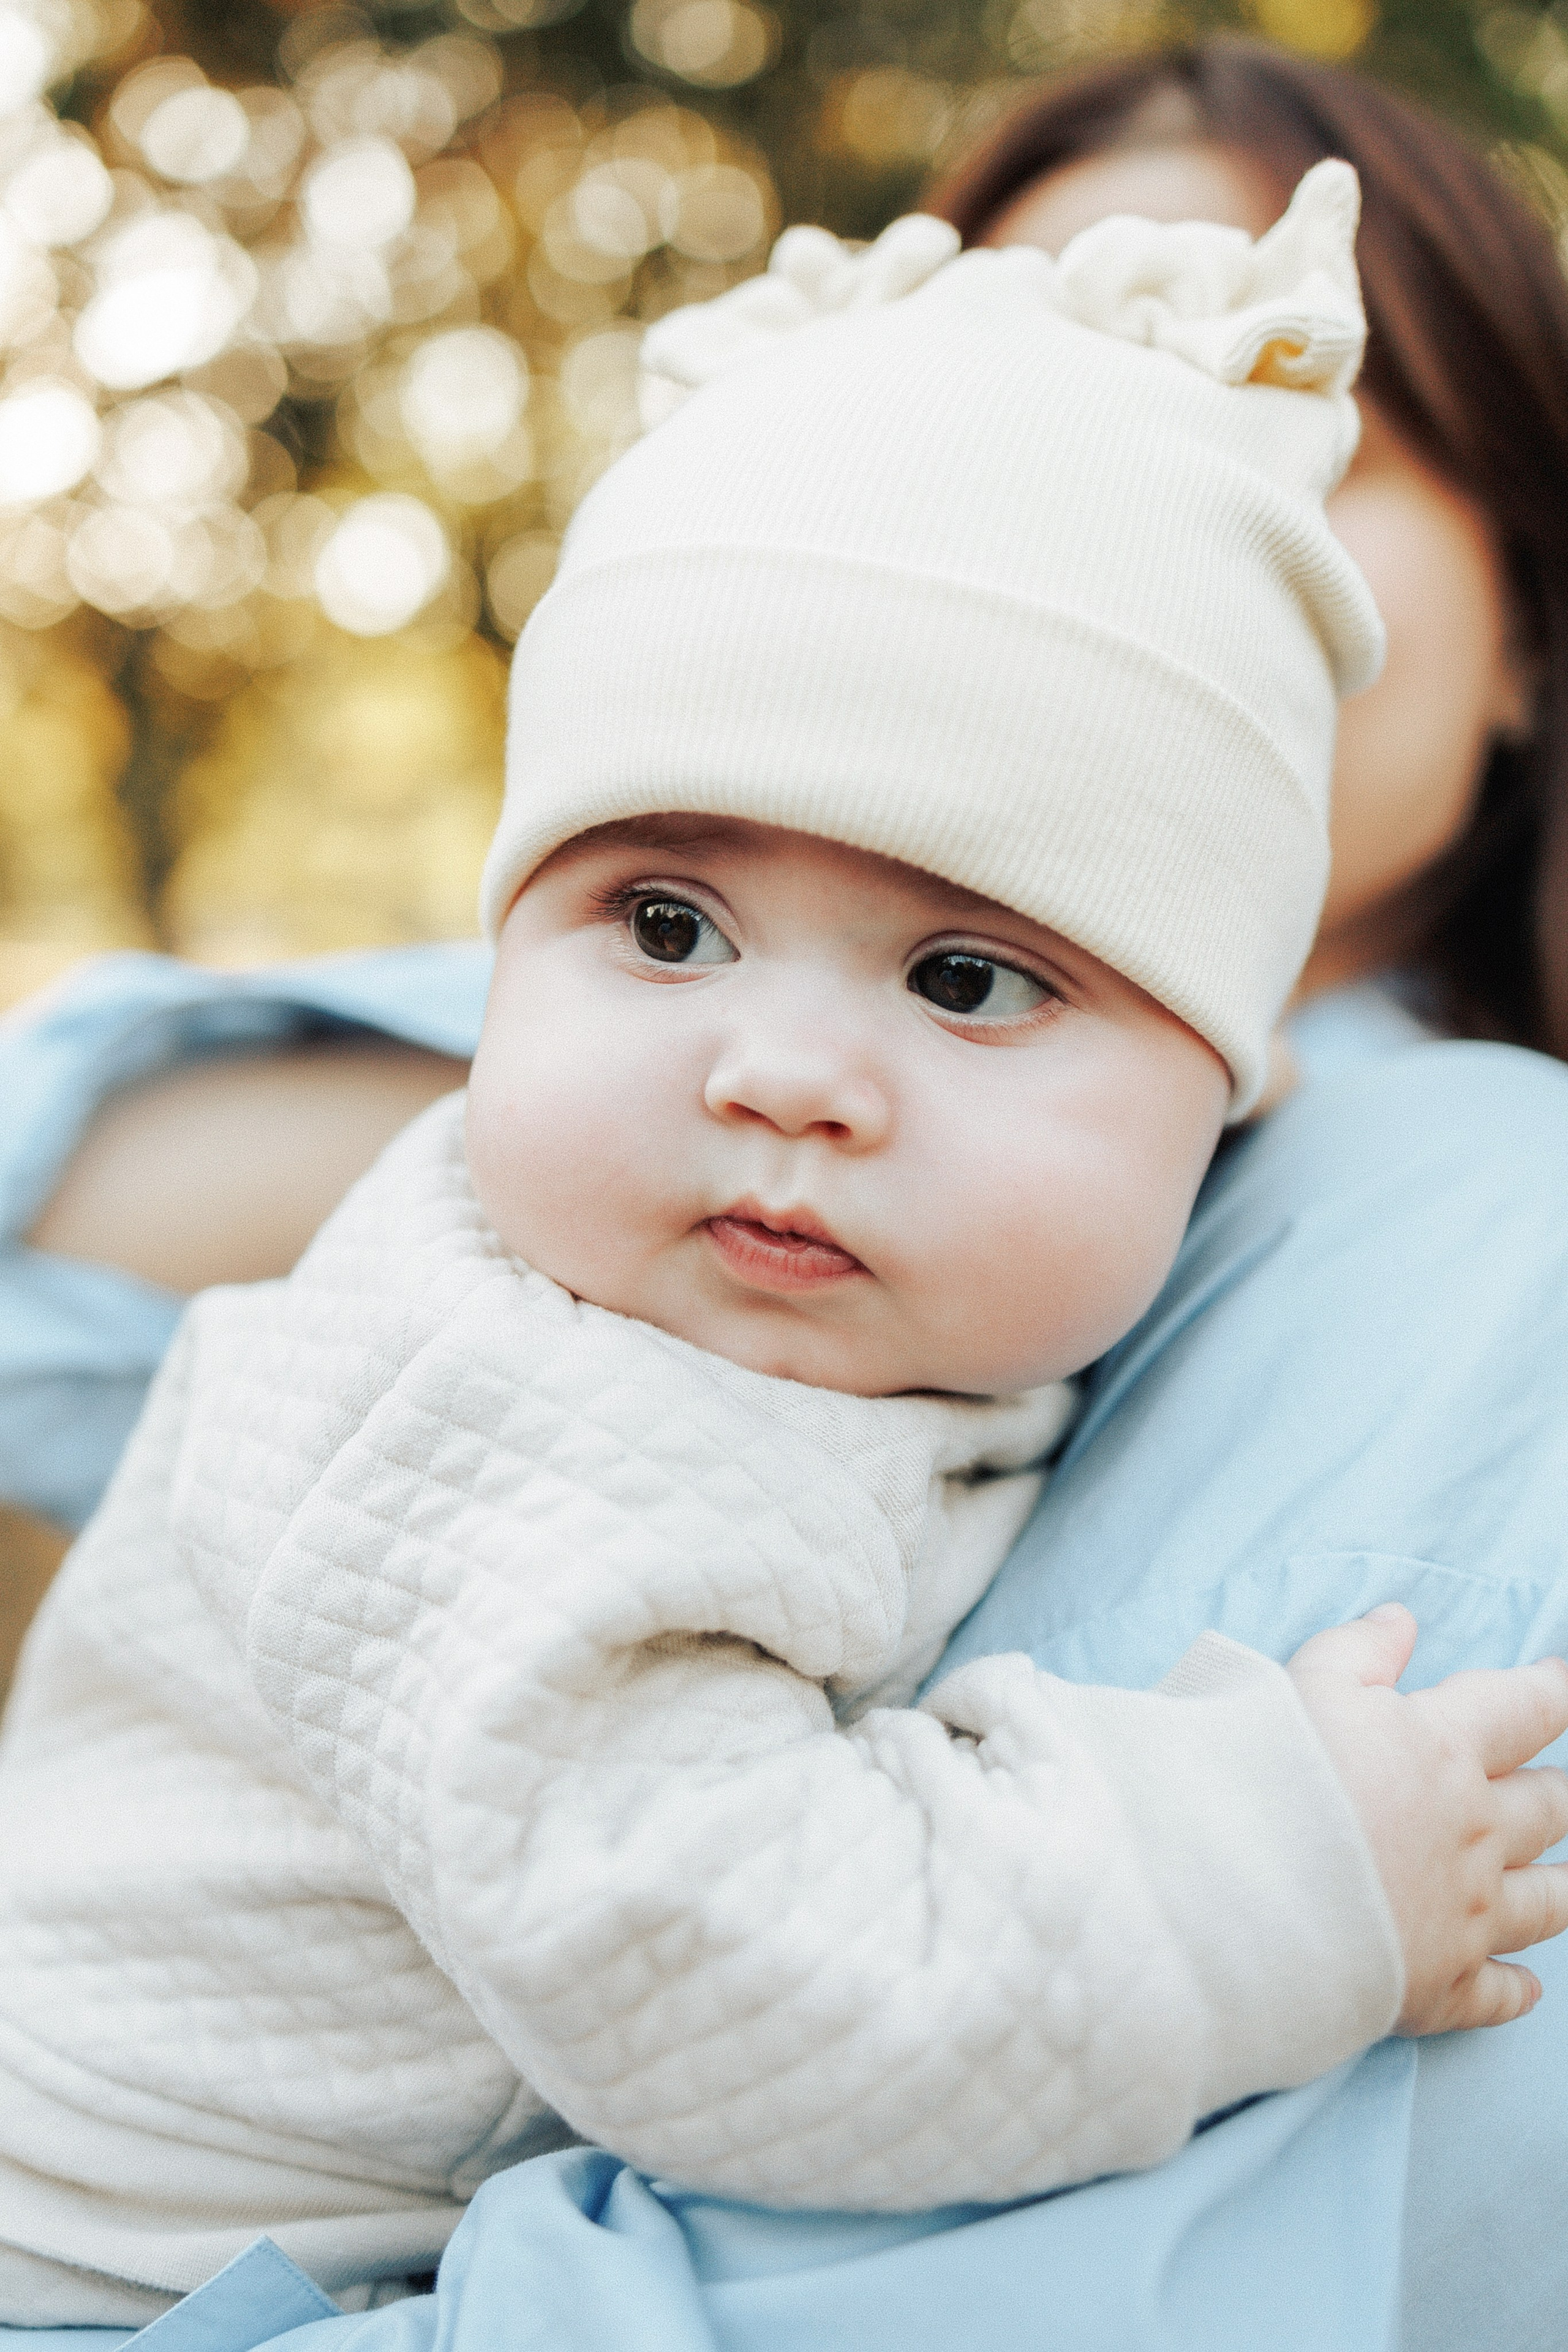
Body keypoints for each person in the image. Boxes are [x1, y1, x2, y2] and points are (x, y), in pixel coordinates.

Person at [5, 35, 1568, 2352]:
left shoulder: (1445, 1207)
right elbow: (731, 1960)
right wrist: (1280, 1873)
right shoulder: (532, 1360)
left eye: (971, 976)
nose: (783, 1070)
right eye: (665, 924)